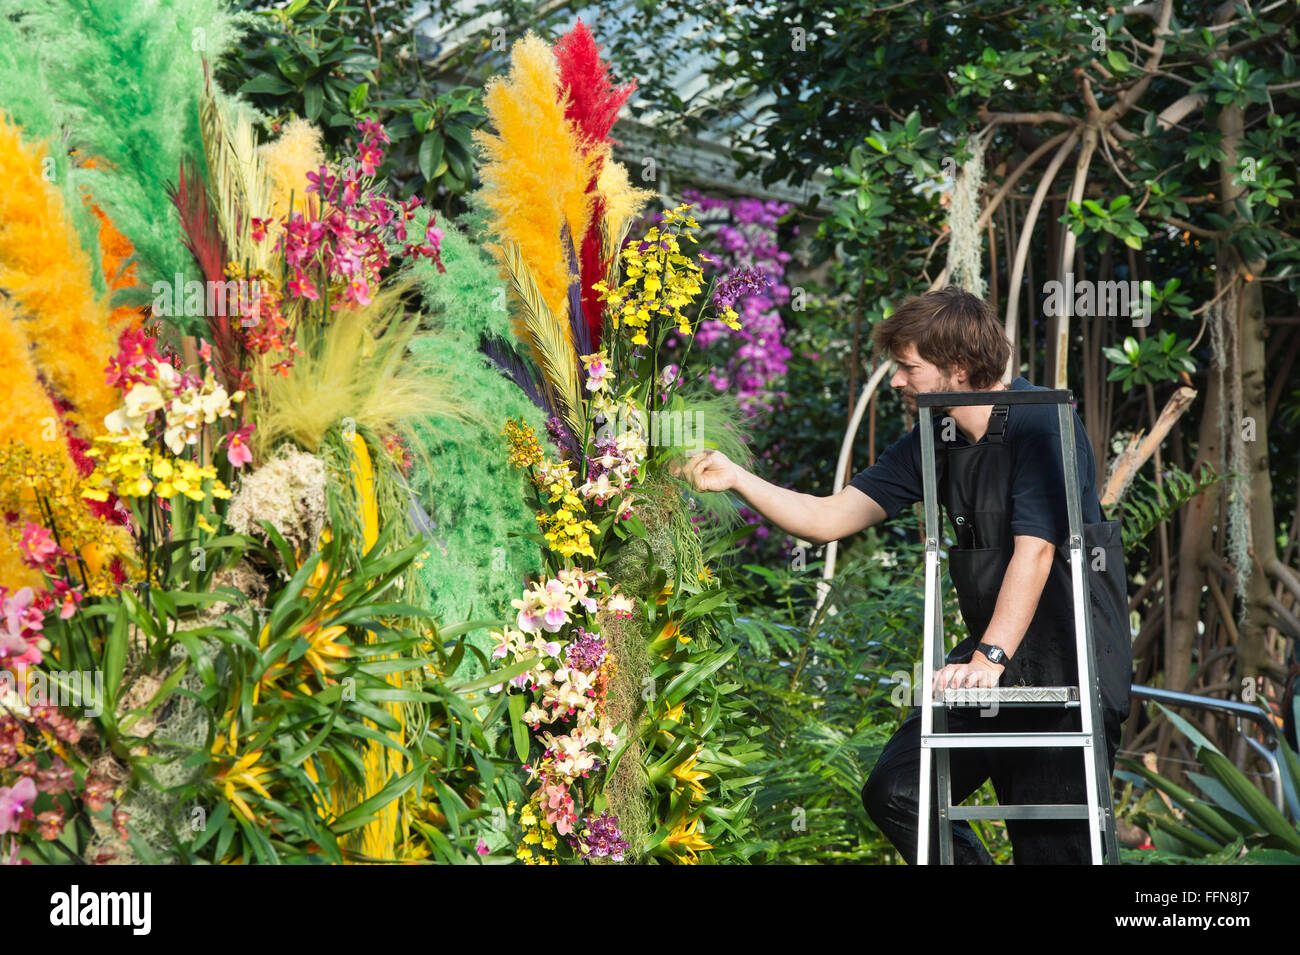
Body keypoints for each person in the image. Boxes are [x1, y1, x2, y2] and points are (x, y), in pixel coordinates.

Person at [675, 286, 1132, 864]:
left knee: (1052, 850)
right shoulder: (936, 434)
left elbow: (1035, 553)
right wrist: (738, 477)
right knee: (900, 793)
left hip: (1068, 658)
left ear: (959, 367)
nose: (896, 381)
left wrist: (987, 660)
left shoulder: (1043, 420)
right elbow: (830, 517)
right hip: (992, 659)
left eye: (908, 367)